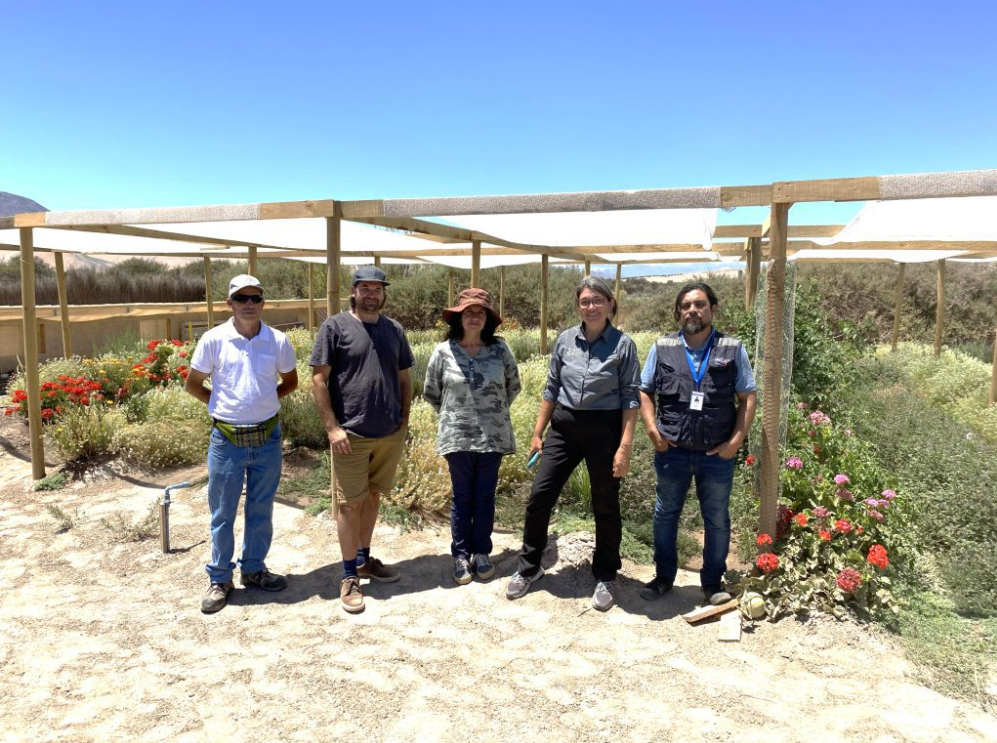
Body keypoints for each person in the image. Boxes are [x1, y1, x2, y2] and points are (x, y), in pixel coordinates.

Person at [506, 276, 640, 612]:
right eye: (585, 301)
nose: (591, 307)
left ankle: (606, 574)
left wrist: (624, 447)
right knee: (539, 496)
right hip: (563, 429)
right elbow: (551, 389)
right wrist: (538, 433)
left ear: (610, 304)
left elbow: (630, 400)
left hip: (604, 431)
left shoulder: (623, 346)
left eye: (597, 300)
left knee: (605, 502)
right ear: (578, 306)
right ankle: (529, 567)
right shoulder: (565, 340)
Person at [638, 282, 757, 606]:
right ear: (679, 312)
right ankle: (663, 577)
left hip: (716, 453)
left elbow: (747, 397)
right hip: (672, 450)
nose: (693, 310)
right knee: (666, 514)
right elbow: (644, 390)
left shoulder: (732, 348)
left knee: (716, 518)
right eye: (686, 305)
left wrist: (736, 441)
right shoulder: (662, 347)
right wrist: (651, 429)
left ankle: (711, 582)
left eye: (700, 304)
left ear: (713, 310)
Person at [186, 274, 299, 614]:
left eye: (255, 298)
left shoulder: (277, 340)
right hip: (227, 439)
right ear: (229, 304)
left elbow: (290, 382)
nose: (249, 304)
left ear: (263, 302)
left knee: (261, 507)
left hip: (267, 436)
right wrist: (220, 406)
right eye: (242, 298)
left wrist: (264, 401)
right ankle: (220, 578)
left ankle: (253, 569)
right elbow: (193, 384)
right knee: (222, 511)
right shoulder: (214, 339)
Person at [310, 266, 414, 614]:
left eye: (377, 289)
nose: (372, 294)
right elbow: (318, 380)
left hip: (388, 432)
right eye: (365, 288)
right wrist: (332, 428)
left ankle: (365, 559)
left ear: (384, 293)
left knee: (371, 496)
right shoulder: (335, 327)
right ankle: (348, 575)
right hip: (349, 434)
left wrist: (404, 419)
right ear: (353, 291)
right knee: (349, 503)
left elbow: (404, 378)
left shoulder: (394, 330)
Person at [423, 288, 522, 585]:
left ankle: (482, 553)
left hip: (492, 438)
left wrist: (489, 414)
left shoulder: (500, 349)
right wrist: (458, 414)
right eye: (469, 311)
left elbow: (513, 386)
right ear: (460, 317)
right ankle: (460, 555)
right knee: (463, 497)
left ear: (487, 319)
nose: (475, 316)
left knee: (484, 496)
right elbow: (431, 391)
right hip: (457, 438)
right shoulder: (444, 351)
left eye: (480, 312)